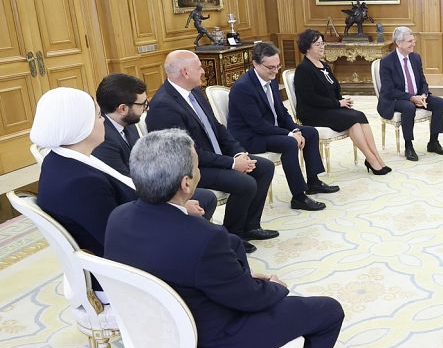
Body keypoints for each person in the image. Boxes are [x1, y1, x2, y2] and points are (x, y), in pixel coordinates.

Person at [104, 129, 344, 348]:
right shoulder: (201, 238)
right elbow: (250, 299)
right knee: (326, 312)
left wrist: (235, 277)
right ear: (187, 184)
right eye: (196, 166)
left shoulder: (118, 219)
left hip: (158, 343)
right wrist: (276, 287)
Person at [147, 50, 277, 253]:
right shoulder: (164, 106)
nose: (203, 71)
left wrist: (238, 153)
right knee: (245, 183)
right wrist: (232, 165)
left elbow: (217, 127)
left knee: (265, 167)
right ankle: (233, 236)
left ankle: (250, 226)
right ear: (185, 72)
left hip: (217, 157)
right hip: (193, 169)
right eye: (199, 67)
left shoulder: (195, 92)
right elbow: (187, 153)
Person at [31, 87, 137, 297]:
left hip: (113, 256)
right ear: (81, 126)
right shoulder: (82, 183)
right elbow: (119, 242)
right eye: (98, 116)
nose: (104, 121)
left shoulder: (58, 159)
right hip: (116, 277)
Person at [228, 42, 338, 211]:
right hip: (250, 137)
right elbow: (257, 125)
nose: (275, 71)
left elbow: (281, 111)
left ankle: (313, 181)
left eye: (278, 66)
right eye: (270, 67)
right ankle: (299, 196)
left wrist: (294, 129)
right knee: (289, 143)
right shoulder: (243, 88)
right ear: (255, 64)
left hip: (268, 129)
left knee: (309, 132)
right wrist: (289, 136)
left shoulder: (270, 79)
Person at [93, 73, 217, 220]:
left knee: (206, 197)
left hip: (149, 186)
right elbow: (126, 187)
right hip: (133, 201)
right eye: (143, 104)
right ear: (122, 109)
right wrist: (178, 205)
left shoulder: (127, 123)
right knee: (203, 201)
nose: (146, 108)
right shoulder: (104, 139)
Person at [293, 29, 391, 175]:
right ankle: (370, 159)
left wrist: (341, 100)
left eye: (322, 43)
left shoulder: (324, 66)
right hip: (312, 112)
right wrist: (338, 104)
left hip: (329, 108)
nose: (322, 47)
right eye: (318, 44)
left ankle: (376, 157)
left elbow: (334, 89)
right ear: (307, 47)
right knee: (352, 119)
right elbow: (310, 98)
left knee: (360, 115)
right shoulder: (303, 69)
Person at [377, 27, 443, 162]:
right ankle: (408, 146)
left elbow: (423, 81)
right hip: (395, 99)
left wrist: (423, 94)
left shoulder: (415, 57)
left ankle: (433, 142)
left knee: (440, 103)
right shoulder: (387, 62)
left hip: (416, 96)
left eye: (413, 40)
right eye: (410, 41)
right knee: (409, 107)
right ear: (399, 43)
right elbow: (389, 90)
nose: (413, 44)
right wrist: (411, 98)